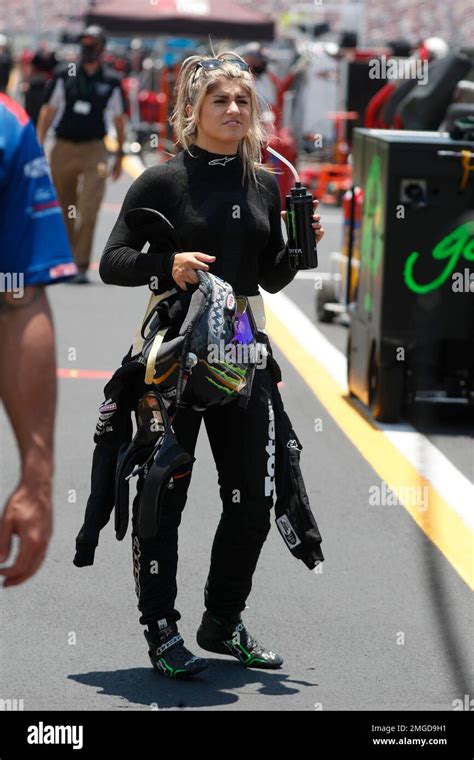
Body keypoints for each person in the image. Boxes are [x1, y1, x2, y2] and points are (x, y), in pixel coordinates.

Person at [99, 50, 325, 679]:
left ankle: (221, 622)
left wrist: (299, 252)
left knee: (253, 498)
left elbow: (268, 279)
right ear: (191, 112)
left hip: (244, 347)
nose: (232, 110)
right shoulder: (162, 181)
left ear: (254, 112)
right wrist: (163, 266)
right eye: (219, 101)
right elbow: (112, 261)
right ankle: (161, 628)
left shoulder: (262, 182)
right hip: (172, 351)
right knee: (163, 492)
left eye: (242, 101)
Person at [0, 94, 77, 587]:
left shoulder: (9, 127)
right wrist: (37, 476)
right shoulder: (8, 123)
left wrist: (37, 474)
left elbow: (17, 300)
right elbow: (17, 299)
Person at [36, 25, 127, 284]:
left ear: (102, 49)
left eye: (93, 45)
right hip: (64, 147)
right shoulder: (64, 74)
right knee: (65, 207)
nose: (88, 50)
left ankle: (80, 264)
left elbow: (119, 119)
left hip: (94, 148)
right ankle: (64, 260)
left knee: (88, 208)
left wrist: (120, 154)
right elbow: (48, 110)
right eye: (84, 44)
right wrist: (38, 143)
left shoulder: (111, 79)